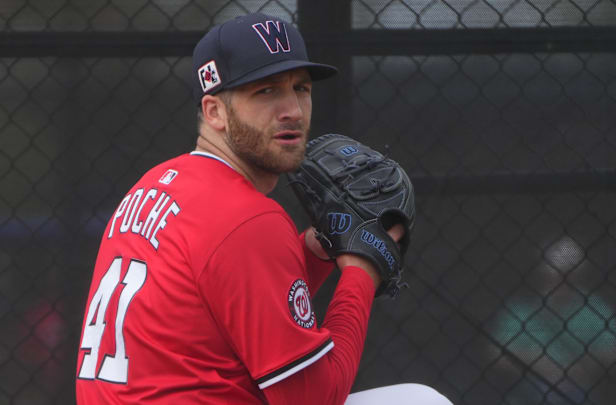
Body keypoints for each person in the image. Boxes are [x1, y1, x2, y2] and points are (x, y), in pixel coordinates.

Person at [75, 12, 452, 405]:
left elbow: (230, 299)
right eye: (266, 91)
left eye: (301, 88)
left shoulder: (153, 185)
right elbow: (311, 398)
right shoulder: (246, 218)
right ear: (214, 111)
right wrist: (360, 273)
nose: (292, 109)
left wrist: (317, 247)